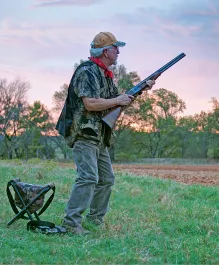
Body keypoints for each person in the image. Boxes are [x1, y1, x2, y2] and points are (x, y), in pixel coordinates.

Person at [55, 31, 155, 234]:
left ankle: (94, 220)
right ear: (105, 51)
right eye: (116, 48)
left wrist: (138, 91)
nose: (118, 52)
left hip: (99, 135)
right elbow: (91, 103)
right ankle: (71, 223)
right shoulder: (87, 71)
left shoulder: (105, 75)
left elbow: (112, 106)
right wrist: (118, 100)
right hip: (84, 132)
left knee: (107, 179)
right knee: (88, 177)